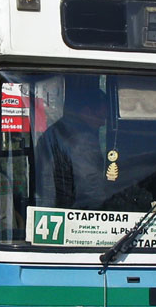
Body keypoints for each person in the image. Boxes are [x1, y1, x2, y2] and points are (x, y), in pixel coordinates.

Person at [35, 79, 114, 210]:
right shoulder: (82, 140)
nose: (103, 123)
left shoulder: (54, 132)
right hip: (72, 211)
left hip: (51, 206)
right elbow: (90, 184)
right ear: (86, 111)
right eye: (101, 117)